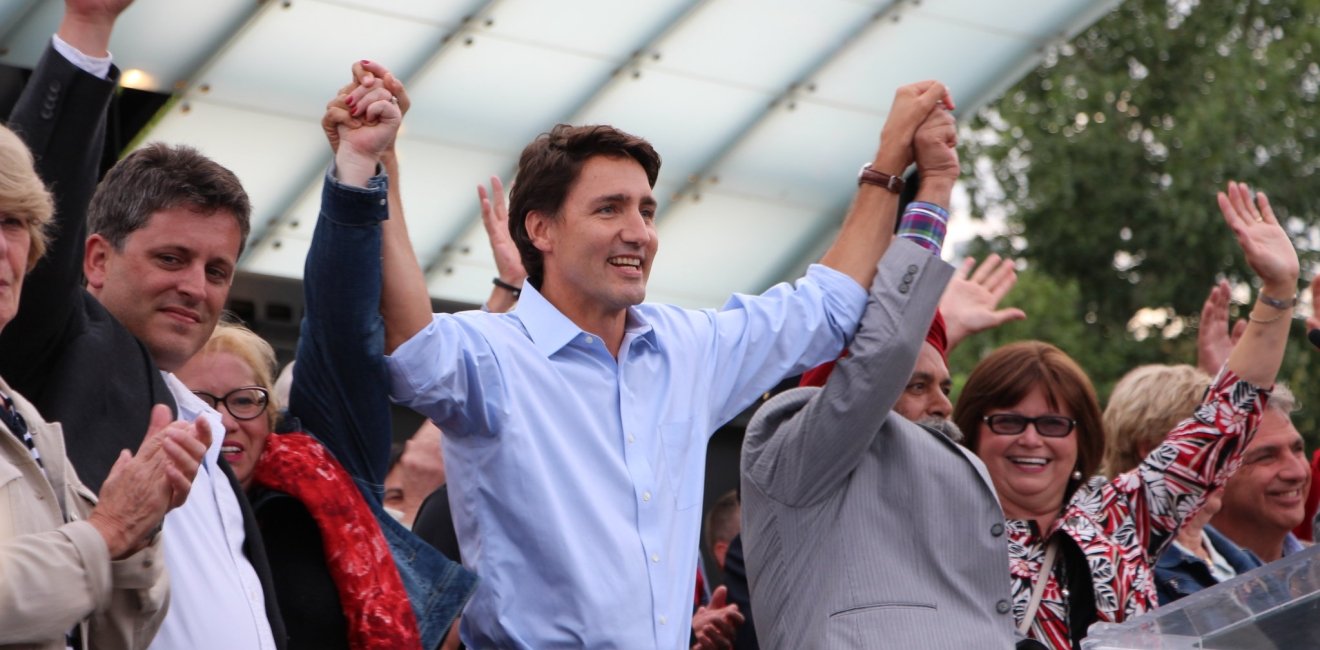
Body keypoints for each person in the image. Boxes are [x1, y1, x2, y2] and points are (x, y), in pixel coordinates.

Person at [370, 64, 954, 644]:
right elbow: (410, 338)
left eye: (646, 211)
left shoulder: (689, 347)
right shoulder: (489, 353)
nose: (639, 232)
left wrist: (889, 167)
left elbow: (827, 306)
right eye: (610, 209)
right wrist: (381, 164)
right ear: (541, 230)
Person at [0, 2, 283, 647]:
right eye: (171, 258)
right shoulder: (67, 348)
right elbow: (32, 192)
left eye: (217, 270)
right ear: (94, 259)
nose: (195, 287)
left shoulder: (205, 425)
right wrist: (88, 29)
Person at [175, 66, 475, 650]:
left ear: (273, 416)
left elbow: (341, 326)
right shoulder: (132, 501)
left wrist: (359, 168)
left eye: (245, 400)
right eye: (200, 403)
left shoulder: (317, 476)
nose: (226, 420)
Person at [950, 181, 1298, 650]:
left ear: (1081, 438)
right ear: (972, 430)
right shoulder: (941, 527)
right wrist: (937, 333)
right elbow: (864, 425)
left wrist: (1277, 292)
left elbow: (1227, 416)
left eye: (1053, 424)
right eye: (1008, 421)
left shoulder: (1121, 514)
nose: (1030, 439)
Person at [739, 125, 1020, 647]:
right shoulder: (796, 455)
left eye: (946, 385)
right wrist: (934, 184)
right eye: (916, 386)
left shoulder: (938, 477)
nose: (943, 403)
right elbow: (881, 355)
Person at [0, 120, 211, 650]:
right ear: (95, 260)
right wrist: (107, 531)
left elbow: (112, 636)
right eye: (172, 259)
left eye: (14, 223)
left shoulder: (25, 418)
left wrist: (138, 532)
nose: (4, 248)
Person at [1100, 363, 1262, 605]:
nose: (1228, 463)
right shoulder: (1120, 571)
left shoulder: (1240, 559)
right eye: (1209, 448)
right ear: (1153, 452)